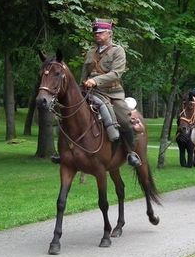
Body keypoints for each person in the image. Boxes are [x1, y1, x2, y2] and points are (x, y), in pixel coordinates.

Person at [56, 18, 140, 167]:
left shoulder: (118, 51)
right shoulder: (90, 53)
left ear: (109, 33)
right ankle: (64, 150)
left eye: (100, 32)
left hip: (112, 93)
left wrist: (96, 81)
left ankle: (130, 152)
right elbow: (84, 74)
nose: (97, 35)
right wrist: (81, 87)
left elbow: (116, 73)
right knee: (68, 114)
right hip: (89, 92)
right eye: (95, 32)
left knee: (124, 119)